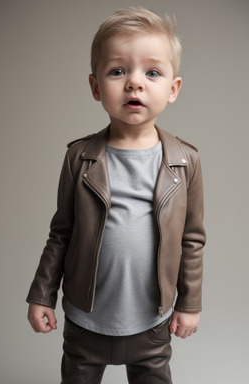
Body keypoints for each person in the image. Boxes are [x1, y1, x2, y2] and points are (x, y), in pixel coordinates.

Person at [26, 7, 206, 384]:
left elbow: (191, 239)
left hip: (150, 323)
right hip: (86, 319)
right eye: (118, 71)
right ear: (95, 87)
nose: (134, 83)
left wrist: (189, 304)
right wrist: (42, 294)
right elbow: (61, 232)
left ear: (173, 89)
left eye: (152, 72)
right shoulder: (80, 157)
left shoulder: (184, 161)